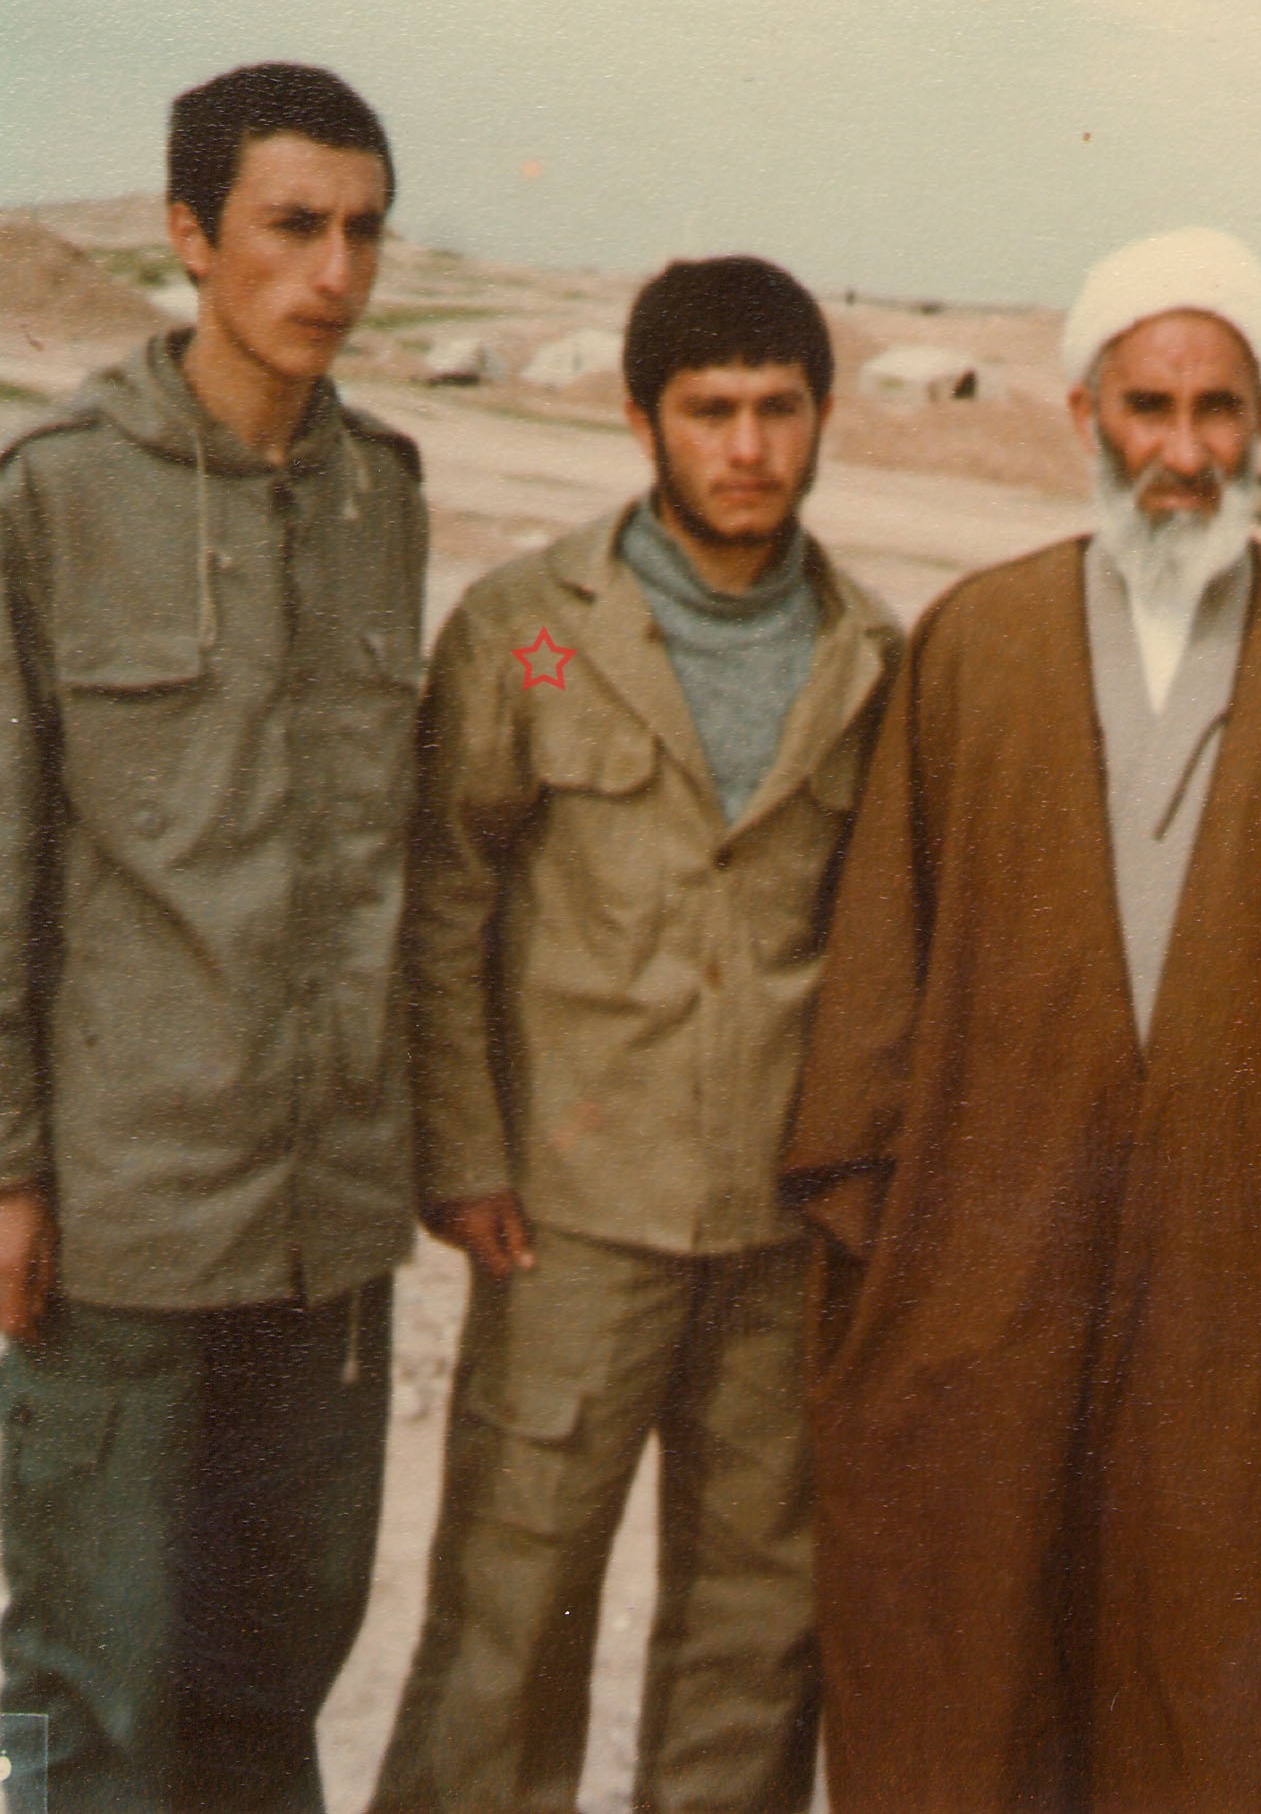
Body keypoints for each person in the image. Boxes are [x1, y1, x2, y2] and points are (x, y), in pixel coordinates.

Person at [781, 227, 1261, 1813]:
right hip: (1004, 1266)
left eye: (1216, 411)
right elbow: (876, 997)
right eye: (1147, 407)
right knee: (980, 1643)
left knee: (1241, 1662)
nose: (1181, 452)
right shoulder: (975, 646)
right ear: (1084, 416)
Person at [0, 62, 421, 1814]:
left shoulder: (382, 497)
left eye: (363, 231)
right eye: (292, 225)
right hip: (125, 1224)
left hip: (325, 1234)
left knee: (267, 1700)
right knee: (95, 1696)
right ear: (189, 234)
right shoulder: (45, 501)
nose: (333, 272)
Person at [368, 256, 900, 1814]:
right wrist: (463, 1152)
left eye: (777, 409)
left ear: (821, 417)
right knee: (512, 1599)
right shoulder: (538, 633)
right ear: (640, 420)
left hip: (779, 1228)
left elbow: (892, 949)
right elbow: (444, 899)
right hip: (571, 1222)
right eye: (709, 410)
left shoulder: (870, 656)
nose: (746, 446)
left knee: (758, 1621)